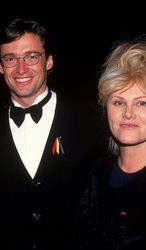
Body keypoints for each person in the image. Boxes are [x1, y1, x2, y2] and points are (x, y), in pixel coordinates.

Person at [0, 18, 106, 250]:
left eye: (32, 56)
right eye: (10, 58)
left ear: (49, 61)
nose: (21, 68)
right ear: (0, 66)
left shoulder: (90, 117)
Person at [78, 39, 146, 249]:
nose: (128, 113)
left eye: (142, 103)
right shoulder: (94, 175)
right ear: (106, 107)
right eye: (118, 102)